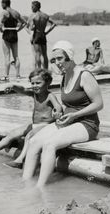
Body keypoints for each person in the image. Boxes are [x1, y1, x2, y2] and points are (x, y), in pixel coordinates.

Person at [22, 41, 103, 188]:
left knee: (50, 144)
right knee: (34, 141)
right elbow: (69, 104)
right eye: (54, 60)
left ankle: (40, 188)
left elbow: (99, 104)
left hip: (87, 124)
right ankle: (25, 183)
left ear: (69, 56)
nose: (57, 63)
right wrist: (58, 112)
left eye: (60, 58)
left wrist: (75, 115)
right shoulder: (65, 77)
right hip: (69, 120)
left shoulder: (84, 75)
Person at [0, 69, 63, 164]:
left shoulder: (50, 95)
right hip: (35, 124)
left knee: (29, 136)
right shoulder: (34, 94)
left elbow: (57, 105)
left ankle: (20, 160)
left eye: (38, 83)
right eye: (33, 83)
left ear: (48, 82)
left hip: (46, 125)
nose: (35, 86)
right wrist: (13, 86)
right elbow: (23, 90)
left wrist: (57, 111)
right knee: (13, 133)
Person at [0, 0, 27, 81]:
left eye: (1, 3)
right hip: (14, 33)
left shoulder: (4, 12)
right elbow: (25, 22)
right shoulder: (16, 12)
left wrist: (1, 30)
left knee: (7, 56)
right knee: (16, 56)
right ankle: (18, 75)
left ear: (4, 4)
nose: (1, 5)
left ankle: (6, 76)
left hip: (7, 33)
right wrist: (18, 30)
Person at [27, 1, 56, 69]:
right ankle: (46, 70)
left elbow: (30, 27)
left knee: (37, 54)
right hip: (43, 35)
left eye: (32, 7)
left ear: (36, 7)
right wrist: (47, 32)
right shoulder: (45, 15)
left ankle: (39, 69)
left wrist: (29, 30)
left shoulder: (32, 16)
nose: (31, 8)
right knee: (44, 54)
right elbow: (54, 24)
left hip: (36, 35)